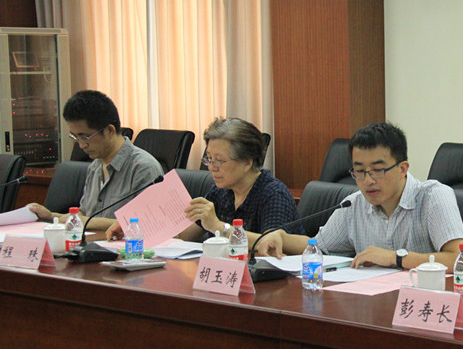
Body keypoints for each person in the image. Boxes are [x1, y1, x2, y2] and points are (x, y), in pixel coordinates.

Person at [255, 122, 463, 271]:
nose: (368, 180)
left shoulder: (433, 197)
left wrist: (395, 257)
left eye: (378, 170)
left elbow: (460, 260)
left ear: (402, 169)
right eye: (359, 171)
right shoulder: (354, 204)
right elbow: (318, 247)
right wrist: (281, 236)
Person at [107, 117, 301, 247]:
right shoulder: (220, 192)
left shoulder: (273, 194)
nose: (212, 168)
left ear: (247, 162)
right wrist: (135, 229)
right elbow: (183, 235)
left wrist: (218, 226)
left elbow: (271, 245)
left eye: (220, 161)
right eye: (209, 159)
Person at [27, 90, 163, 232]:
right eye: (75, 137)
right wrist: (50, 216)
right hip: (91, 242)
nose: (81, 145)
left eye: (85, 137)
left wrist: (86, 222)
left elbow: (146, 223)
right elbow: (83, 214)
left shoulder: (143, 167)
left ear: (109, 130)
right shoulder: (95, 166)